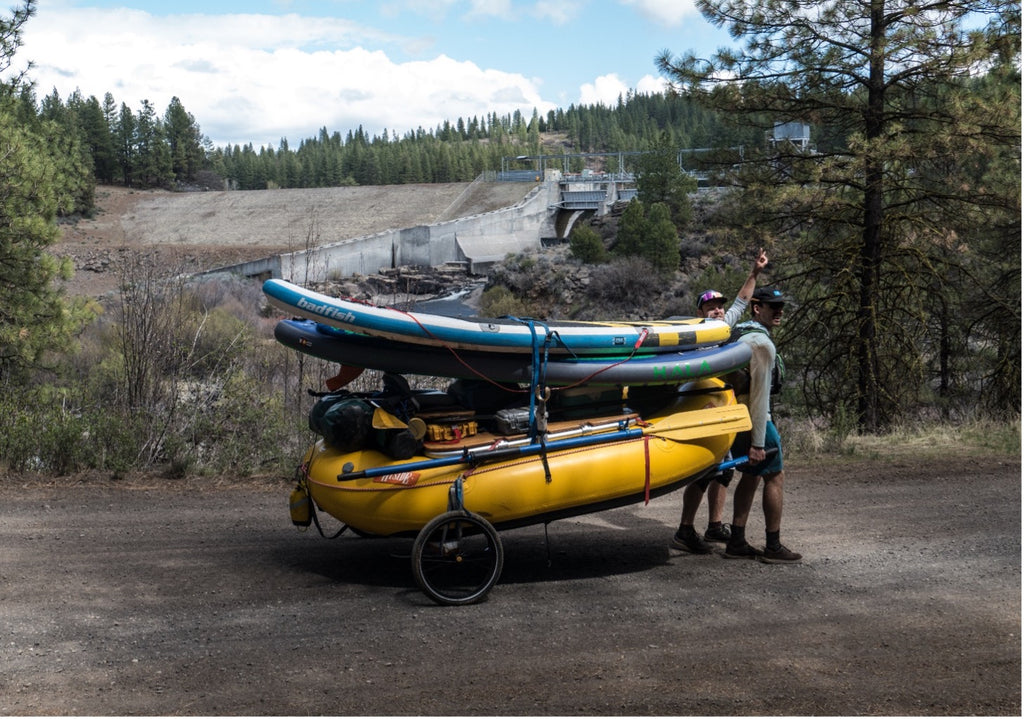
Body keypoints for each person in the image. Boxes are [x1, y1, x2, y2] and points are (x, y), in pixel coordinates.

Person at [671, 249, 769, 554]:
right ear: (701, 311)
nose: (717, 310)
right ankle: (685, 530)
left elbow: (742, 299)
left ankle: (714, 526)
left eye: (718, 306)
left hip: (723, 404)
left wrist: (755, 271)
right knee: (705, 470)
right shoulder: (693, 333)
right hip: (702, 405)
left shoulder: (726, 325)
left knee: (725, 470)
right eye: (710, 307)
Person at [723, 285, 802, 563]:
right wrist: (758, 442)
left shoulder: (740, 333)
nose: (779, 312)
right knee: (775, 475)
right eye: (773, 307)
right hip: (755, 419)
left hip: (737, 416)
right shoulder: (761, 344)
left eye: (781, 307)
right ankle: (773, 545)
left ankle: (737, 540)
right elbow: (759, 397)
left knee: (751, 474)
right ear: (758, 309)